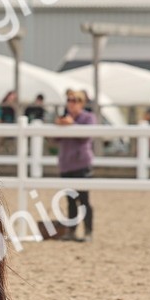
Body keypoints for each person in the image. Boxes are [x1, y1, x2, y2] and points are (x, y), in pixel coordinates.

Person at [55, 89, 95, 241]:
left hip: (81, 163)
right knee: (70, 200)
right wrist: (60, 124)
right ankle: (71, 231)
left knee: (84, 199)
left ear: (81, 103)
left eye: (75, 100)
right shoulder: (64, 118)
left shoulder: (88, 118)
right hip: (66, 164)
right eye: (69, 100)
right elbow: (55, 139)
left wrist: (71, 124)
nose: (71, 103)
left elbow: (85, 137)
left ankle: (88, 231)